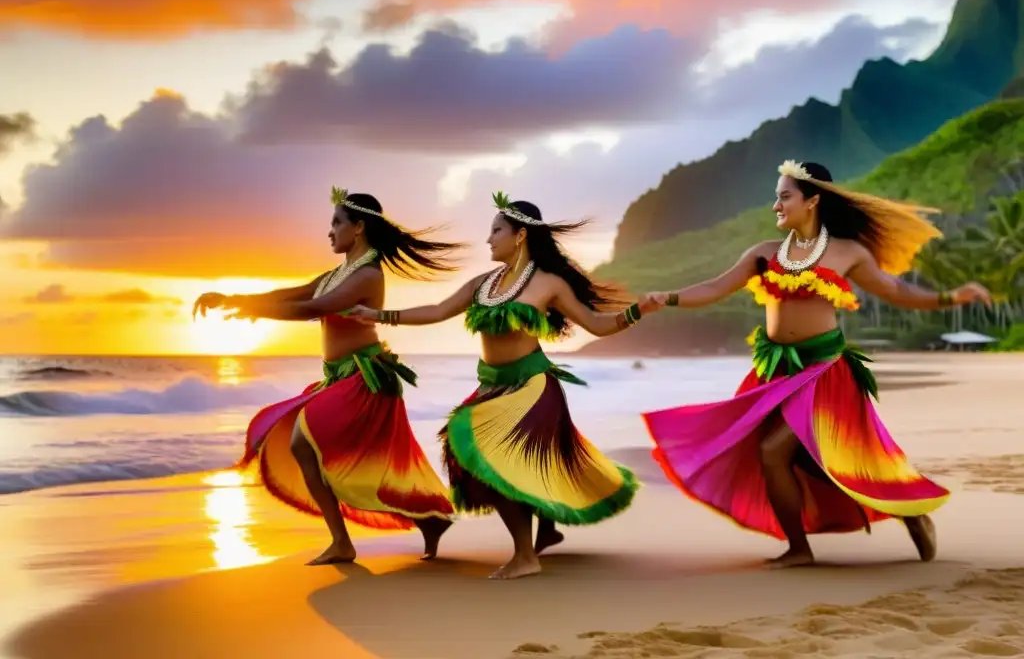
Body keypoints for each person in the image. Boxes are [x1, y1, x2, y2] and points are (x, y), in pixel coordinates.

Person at [639, 160, 991, 569]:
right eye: (777, 196)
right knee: (809, 460)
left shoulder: (847, 252)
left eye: (784, 196)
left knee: (774, 452)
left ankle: (803, 549)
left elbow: (896, 290)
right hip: (776, 371)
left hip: (823, 372)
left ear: (812, 201)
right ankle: (899, 513)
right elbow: (715, 287)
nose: (776, 205)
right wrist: (669, 297)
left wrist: (952, 297)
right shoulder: (764, 254)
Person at [347, 192, 650, 580]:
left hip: (533, 387)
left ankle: (526, 555)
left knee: (484, 450)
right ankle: (546, 529)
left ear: (520, 235)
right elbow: (437, 311)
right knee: (471, 457)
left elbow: (598, 325)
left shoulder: (549, 283)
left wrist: (639, 310)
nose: (489, 239)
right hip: (492, 386)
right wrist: (378, 315)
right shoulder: (483, 284)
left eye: (496, 231)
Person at [192, 188, 464, 565]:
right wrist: (236, 299)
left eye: (337, 222)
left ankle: (343, 542)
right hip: (338, 376)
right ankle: (425, 522)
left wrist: (256, 309)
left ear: (359, 227)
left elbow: (316, 307)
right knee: (358, 459)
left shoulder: (367, 274)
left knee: (305, 442)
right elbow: (296, 293)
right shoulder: (339, 272)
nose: (330, 231)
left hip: (365, 377)